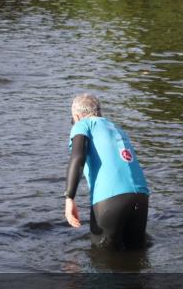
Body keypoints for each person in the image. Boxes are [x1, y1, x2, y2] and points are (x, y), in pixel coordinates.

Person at [64, 93, 150, 249]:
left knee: (101, 259)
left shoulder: (82, 125)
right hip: (141, 195)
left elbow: (77, 157)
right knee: (137, 256)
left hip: (110, 197)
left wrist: (69, 197)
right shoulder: (116, 127)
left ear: (76, 116)